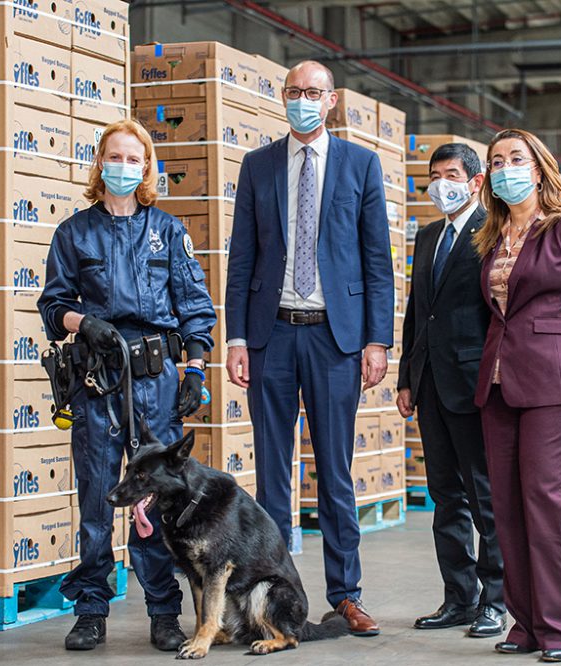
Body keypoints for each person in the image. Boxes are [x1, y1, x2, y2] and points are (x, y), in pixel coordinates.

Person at [224, 60, 394, 636]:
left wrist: (376, 339)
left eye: (312, 93)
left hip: (334, 337)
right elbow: (241, 256)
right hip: (272, 333)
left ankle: (346, 594)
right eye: (294, 92)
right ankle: (276, 600)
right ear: (283, 96)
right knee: (273, 476)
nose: (302, 100)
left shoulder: (360, 165)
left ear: (332, 100)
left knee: (335, 472)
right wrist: (238, 337)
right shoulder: (258, 165)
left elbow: (377, 261)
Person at [38, 119, 216, 652]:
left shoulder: (168, 230)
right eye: (113, 157)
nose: (122, 166)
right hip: (97, 380)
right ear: (100, 164)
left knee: (156, 506)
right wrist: (81, 323)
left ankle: (164, 613)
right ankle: (91, 610)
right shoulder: (74, 233)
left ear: (146, 168)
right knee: (96, 502)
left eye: (133, 158)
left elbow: (194, 307)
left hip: (156, 380)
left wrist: (197, 367)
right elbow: (52, 305)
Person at [473, 129, 561, 663]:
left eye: (516, 158)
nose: (506, 166)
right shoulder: (492, 236)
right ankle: (526, 623)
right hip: (500, 383)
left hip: (557, 384)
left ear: (538, 168)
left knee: (545, 504)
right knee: (506, 507)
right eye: (496, 160)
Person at [397, 143, 506, 638]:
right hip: (431, 385)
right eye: (435, 176)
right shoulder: (427, 237)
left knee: (486, 498)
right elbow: (418, 312)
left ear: (476, 180)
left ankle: (495, 601)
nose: (443, 184)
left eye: (452, 174)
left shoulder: (495, 234)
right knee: (445, 497)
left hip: (473, 384)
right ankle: (458, 598)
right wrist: (406, 377)